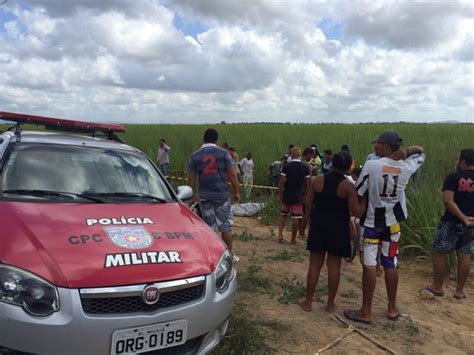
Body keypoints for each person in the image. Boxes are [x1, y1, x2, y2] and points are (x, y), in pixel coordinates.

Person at [344, 130, 424, 324]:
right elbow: (421, 153)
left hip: (372, 223)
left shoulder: (372, 165)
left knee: (370, 265)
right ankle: (391, 308)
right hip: (393, 225)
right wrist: (408, 151)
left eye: (378, 144)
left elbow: (359, 190)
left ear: (387, 147)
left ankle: (366, 311)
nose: (375, 147)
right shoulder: (406, 166)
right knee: (391, 263)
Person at [297, 151, 366, 313]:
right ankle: (330, 304)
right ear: (348, 167)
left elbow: (308, 205)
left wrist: (309, 223)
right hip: (338, 227)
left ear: (332, 164)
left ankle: (308, 302)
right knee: (334, 266)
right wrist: (365, 201)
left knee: (314, 265)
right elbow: (357, 212)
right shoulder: (348, 186)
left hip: (319, 225)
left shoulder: (318, 180)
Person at [424, 149, 474, 300]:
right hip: (472, 224)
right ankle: (459, 291)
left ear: (464, 161)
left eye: (457, 159)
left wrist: (462, 217)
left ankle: (437, 287)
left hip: (451, 222)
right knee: (465, 254)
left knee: (439, 252)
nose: (456, 162)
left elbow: (448, 201)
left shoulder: (453, 178)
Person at [187, 129, 241, 263]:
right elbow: (232, 174)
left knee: (209, 227)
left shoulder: (195, 155)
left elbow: (191, 179)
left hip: (205, 195)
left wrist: (191, 195)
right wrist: (236, 192)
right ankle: (229, 256)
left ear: (203, 139)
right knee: (225, 226)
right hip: (222, 195)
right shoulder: (224, 153)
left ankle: (211, 256)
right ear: (216, 140)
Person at [277, 147, 311, 244]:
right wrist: (306, 195)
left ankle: (280, 234)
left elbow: (282, 181)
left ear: (291, 155)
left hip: (287, 194)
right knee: (296, 217)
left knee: (283, 215)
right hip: (298, 195)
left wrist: (279, 193)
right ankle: (292, 239)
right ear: (300, 155)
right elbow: (307, 183)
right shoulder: (305, 167)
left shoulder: (287, 166)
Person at [299, 148, 314, 238]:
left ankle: (298, 230)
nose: (311, 157)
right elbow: (309, 181)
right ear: (308, 154)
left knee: (298, 212)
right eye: (311, 156)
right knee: (306, 212)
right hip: (305, 191)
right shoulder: (307, 165)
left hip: (297, 191)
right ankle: (301, 232)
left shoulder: (297, 163)